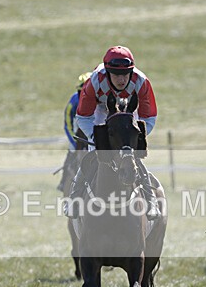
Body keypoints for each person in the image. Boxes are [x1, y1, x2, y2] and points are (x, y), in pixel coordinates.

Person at [67, 46, 159, 219]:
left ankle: (150, 196)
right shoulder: (95, 81)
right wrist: (97, 138)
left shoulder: (141, 82)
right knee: (94, 151)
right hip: (100, 109)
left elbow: (149, 116)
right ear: (108, 72)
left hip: (130, 112)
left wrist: (135, 137)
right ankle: (75, 194)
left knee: (132, 154)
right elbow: (83, 116)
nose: (121, 79)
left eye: (125, 74)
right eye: (116, 74)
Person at [57, 71, 92, 192]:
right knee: (71, 153)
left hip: (95, 138)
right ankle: (64, 181)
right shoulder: (73, 102)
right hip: (78, 137)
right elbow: (67, 124)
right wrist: (74, 140)